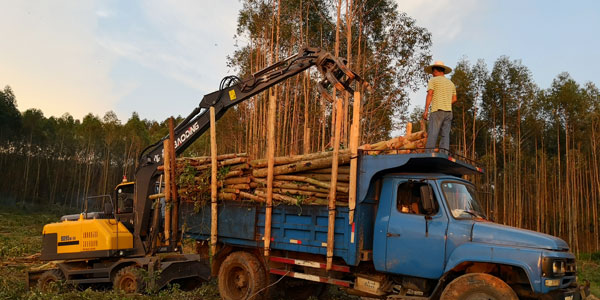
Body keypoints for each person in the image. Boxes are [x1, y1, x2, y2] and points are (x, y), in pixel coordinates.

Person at [423, 61, 457, 151]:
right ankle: (444, 153)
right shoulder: (451, 83)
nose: (432, 74)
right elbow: (454, 99)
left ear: (435, 71)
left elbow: (430, 94)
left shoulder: (433, 80)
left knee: (433, 133)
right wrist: (446, 102)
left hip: (437, 110)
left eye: (432, 72)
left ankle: (429, 154)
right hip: (449, 112)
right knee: (445, 135)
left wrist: (426, 110)